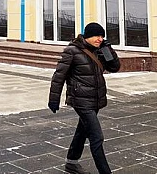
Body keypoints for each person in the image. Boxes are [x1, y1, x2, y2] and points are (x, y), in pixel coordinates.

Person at [48, 22, 121, 174]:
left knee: (82, 132)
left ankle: (71, 163)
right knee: (97, 137)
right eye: (97, 36)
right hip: (81, 100)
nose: (100, 39)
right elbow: (59, 76)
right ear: (87, 36)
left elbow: (114, 67)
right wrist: (54, 99)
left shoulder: (99, 50)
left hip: (95, 99)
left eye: (102, 36)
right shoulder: (72, 51)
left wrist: (108, 50)